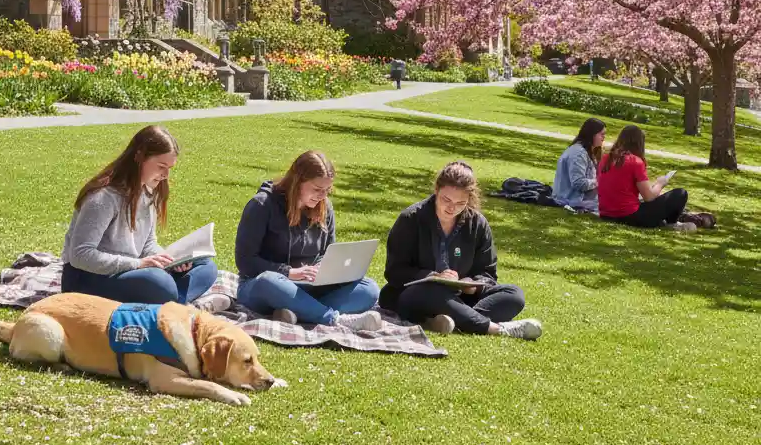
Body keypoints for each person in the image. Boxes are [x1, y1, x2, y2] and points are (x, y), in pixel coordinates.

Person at [61, 125, 229, 309]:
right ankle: (180, 305)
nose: (166, 175)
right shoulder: (103, 198)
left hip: (131, 271)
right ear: (139, 157)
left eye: (170, 168)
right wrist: (139, 264)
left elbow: (147, 244)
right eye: (161, 166)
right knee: (158, 281)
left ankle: (175, 303)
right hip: (88, 279)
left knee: (206, 266)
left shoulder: (148, 192)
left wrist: (170, 260)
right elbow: (80, 255)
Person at [379, 161, 543, 339]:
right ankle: (496, 329)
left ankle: (449, 320)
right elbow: (395, 272)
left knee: (514, 295)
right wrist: (432, 277)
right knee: (431, 293)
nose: (451, 208)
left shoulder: (477, 224)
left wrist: (471, 285)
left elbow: (488, 273)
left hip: (460, 296)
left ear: (469, 200)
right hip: (418, 294)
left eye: (460, 203)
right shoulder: (411, 219)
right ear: (436, 190)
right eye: (446, 200)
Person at [234, 150, 382, 330]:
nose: (323, 196)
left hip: (308, 286)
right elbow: (245, 261)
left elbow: (327, 252)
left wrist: (326, 270)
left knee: (369, 289)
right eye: (317, 189)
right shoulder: (262, 205)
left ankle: (297, 311)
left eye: (327, 190)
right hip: (265, 286)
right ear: (297, 181)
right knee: (269, 281)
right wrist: (289, 272)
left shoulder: (324, 207)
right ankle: (333, 319)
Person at [597, 124, 695, 231]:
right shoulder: (635, 162)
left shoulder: (605, 158)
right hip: (629, 216)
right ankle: (671, 224)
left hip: (606, 214)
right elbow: (649, 197)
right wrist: (660, 183)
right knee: (680, 194)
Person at [552, 117, 607, 212]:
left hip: (578, 200)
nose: (604, 137)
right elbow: (579, 183)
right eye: (601, 134)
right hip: (572, 200)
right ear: (592, 134)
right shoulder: (579, 153)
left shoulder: (587, 151)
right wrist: (600, 181)